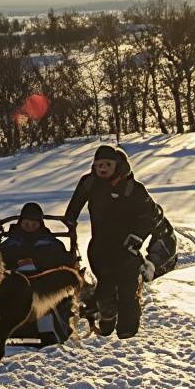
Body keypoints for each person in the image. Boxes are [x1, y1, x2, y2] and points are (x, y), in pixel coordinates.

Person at [64, 145, 159, 339]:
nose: (103, 168)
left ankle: (127, 328)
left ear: (118, 165)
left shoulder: (133, 188)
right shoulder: (89, 183)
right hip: (100, 245)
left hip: (127, 246)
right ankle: (107, 320)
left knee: (127, 285)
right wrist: (69, 221)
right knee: (106, 283)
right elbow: (74, 205)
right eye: (99, 165)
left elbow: (150, 215)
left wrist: (137, 236)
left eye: (107, 164)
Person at [0, 202, 74, 345]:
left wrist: (38, 264)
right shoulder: (9, 244)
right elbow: (0, 264)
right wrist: (16, 265)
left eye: (34, 224)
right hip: (16, 284)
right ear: (21, 222)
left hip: (43, 285)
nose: (30, 228)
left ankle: (51, 329)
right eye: (27, 224)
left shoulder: (51, 243)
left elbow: (62, 262)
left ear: (40, 224)